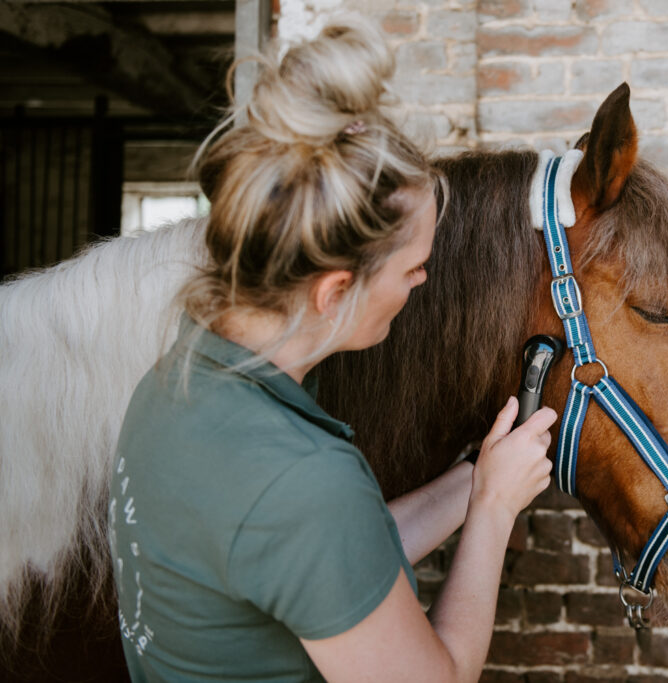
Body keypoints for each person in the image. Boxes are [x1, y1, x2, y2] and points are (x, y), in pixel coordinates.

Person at [108, 19, 556, 682]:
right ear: (334, 291)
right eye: (412, 269)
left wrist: (476, 480)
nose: (423, 283)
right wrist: (492, 513)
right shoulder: (304, 477)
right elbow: (439, 674)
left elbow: (331, 565)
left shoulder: (174, 387)